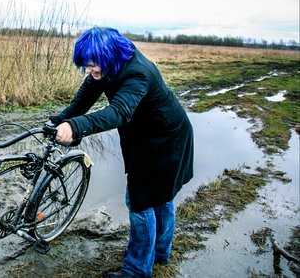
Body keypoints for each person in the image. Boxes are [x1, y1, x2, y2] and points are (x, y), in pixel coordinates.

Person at [49, 26, 194, 278]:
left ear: (106, 56)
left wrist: (76, 126)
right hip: (150, 136)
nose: (88, 70)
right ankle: (159, 254)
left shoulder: (137, 73)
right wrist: (62, 119)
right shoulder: (110, 64)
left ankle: (137, 270)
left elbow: (118, 113)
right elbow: (87, 94)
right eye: (85, 65)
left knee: (142, 201)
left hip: (166, 139)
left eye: (92, 64)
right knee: (159, 196)